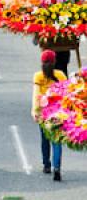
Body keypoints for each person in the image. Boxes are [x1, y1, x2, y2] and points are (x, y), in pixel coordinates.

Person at [32, 50, 66, 181]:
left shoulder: (38, 76)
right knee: (57, 140)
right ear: (54, 61)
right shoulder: (61, 75)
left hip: (44, 113)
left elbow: (36, 95)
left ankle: (46, 164)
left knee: (45, 138)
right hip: (58, 113)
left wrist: (35, 111)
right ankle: (57, 168)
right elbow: (66, 93)